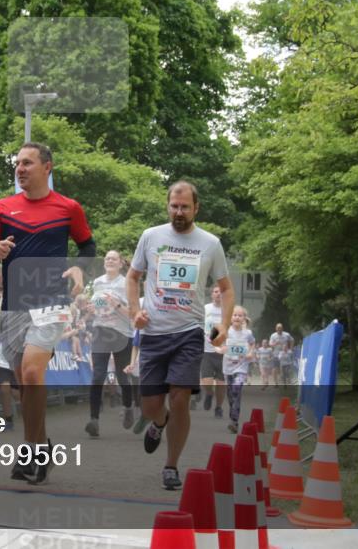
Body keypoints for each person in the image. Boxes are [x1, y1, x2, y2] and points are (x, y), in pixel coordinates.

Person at [0, 142, 95, 484]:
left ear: (48, 167)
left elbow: (87, 245)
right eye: (17, 163)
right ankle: (42, 444)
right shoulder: (2, 208)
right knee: (22, 383)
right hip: (14, 305)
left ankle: (29, 450)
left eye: (27, 163)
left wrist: (79, 270)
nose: (20, 168)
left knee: (32, 373)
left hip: (50, 302)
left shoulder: (68, 207)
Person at [127, 180, 234, 490]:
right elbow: (133, 278)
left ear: (196, 208)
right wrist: (135, 311)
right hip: (154, 333)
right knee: (150, 406)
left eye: (185, 207)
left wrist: (223, 326)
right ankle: (159, 423)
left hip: (188, 332)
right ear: (167, 206)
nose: (179, 212)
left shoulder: (210, 243)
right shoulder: (151, 237)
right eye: (174, 206)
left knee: (180, 398)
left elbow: (226, 289)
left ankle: (171, 465)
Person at [85, 250, 135, 438]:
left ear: (121, 263)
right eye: (107, 258)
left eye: (114, 258)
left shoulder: (127, 283)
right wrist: (92, 309)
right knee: (98, 376)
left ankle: (128, 407)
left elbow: (132, 314)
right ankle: (94, 420)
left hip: (122, 333)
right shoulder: (97, 282)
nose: (109, 260)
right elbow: (97, 308)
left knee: (123, 378)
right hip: (101, 330)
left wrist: (115, 305)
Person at [223, 306, 256, 433]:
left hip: (241, 367)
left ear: (244, 319)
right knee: (231, 395)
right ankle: (233, 415)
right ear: (230, 318)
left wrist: (250, 353)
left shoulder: (247, 333)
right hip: (228, 367)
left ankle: (234, 422)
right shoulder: (226, 331)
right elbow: (217, 341)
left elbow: (252, 343)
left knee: (237, 388)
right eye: (234, 315)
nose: (237, 317)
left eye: (240, 315)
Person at [199, 285, 227, 417]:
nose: (218, 294)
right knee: (207, 380)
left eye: (220, 292)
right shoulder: (206, 309)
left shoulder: (227, 310)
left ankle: (219, 407)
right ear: (212, 294)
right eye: (216, 291)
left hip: (222, 352)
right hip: (207, 350)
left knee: (221, 383)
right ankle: (209, 394)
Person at [269, 323, 295, 387]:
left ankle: (286, 381)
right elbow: (270, 344)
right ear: (276, 329)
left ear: (282, 328)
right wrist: (275, 343)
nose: (279, 329)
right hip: (276, 354)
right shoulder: (273, 335)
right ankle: (276, 383)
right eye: (278, 328)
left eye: (280, 328)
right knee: (275, 369)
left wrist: (291, 349)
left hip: (284, 354)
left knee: (286, 369)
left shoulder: (286, 334)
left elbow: (292, 340)